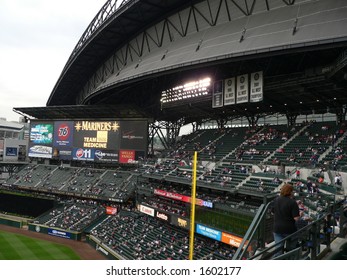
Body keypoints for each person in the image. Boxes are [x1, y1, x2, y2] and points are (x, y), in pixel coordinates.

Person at [272, 183, 301, 258]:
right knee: (291, 250)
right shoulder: (292, 202)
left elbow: (273, 212)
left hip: (277, 228)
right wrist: (301, 214)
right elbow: (296, 218)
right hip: (289, 230)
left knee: (278, 251)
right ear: (290, 192)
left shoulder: (276, 200)